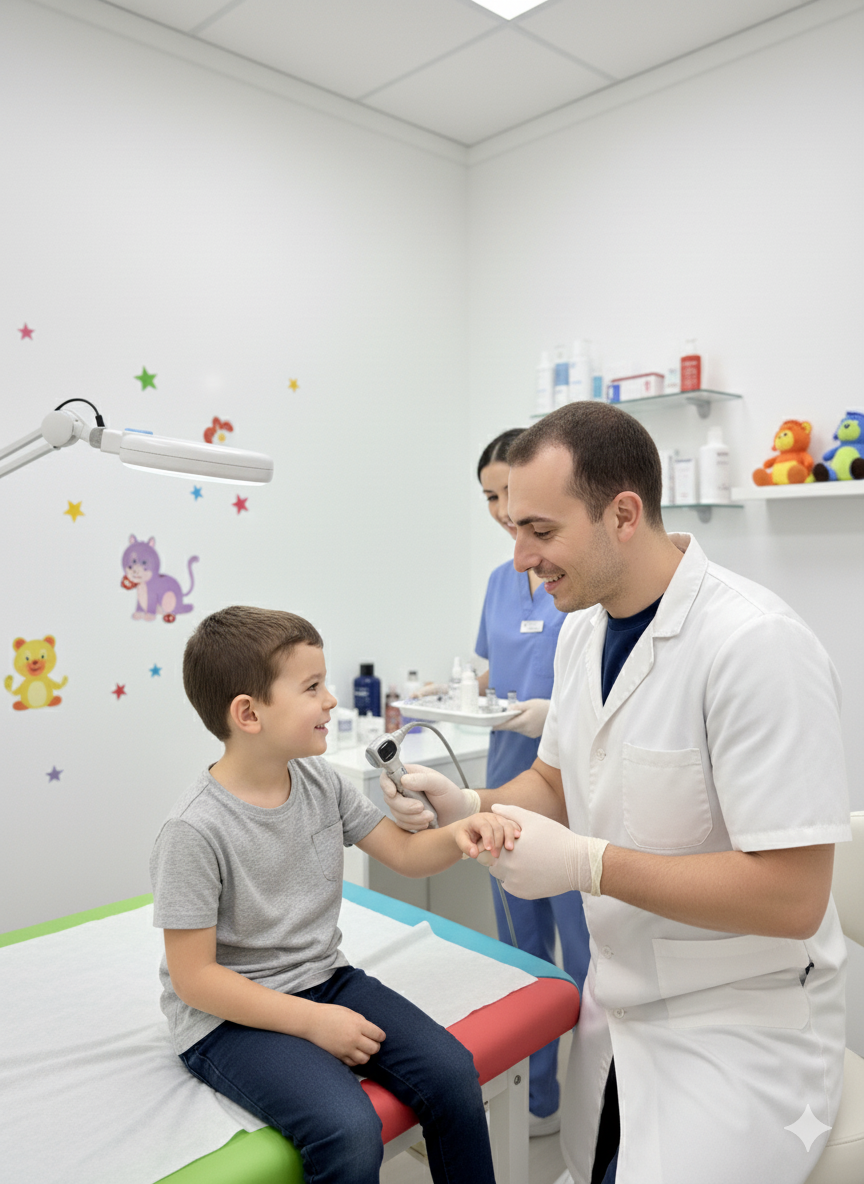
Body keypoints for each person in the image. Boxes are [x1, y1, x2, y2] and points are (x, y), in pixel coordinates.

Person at [382, 401, 851, 1184]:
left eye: (541, 529)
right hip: (618, 1008)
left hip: (739, 1025)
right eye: (512, 529)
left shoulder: (755, 647)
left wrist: (588, 865)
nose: (523, 558)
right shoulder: (584, 631)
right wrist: (471, 805)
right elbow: (557, 782)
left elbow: (794, 897)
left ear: (624, 514)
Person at [149, 605, 518, 1184]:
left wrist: (461, 831)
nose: (331, 701)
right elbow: (195, 978)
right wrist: (312, 1023)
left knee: (452, 1075)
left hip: (324, 977)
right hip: (227, 1017)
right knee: (346, 1129)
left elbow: (405, 852)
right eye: (313, 687)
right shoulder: (194, 831)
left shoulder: (321, 782)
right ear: (249, 713)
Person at [475, 428, 590, 1134]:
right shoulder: (498, 579)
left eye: (510, 497)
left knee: (585, 956)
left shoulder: (574, 577)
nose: (500, 511)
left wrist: (549, 715)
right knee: (519, 952)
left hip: (574, 790)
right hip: (505, 776)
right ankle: (539, 1100)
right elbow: (488, 672)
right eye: (490, 498)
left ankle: (592, 1102)